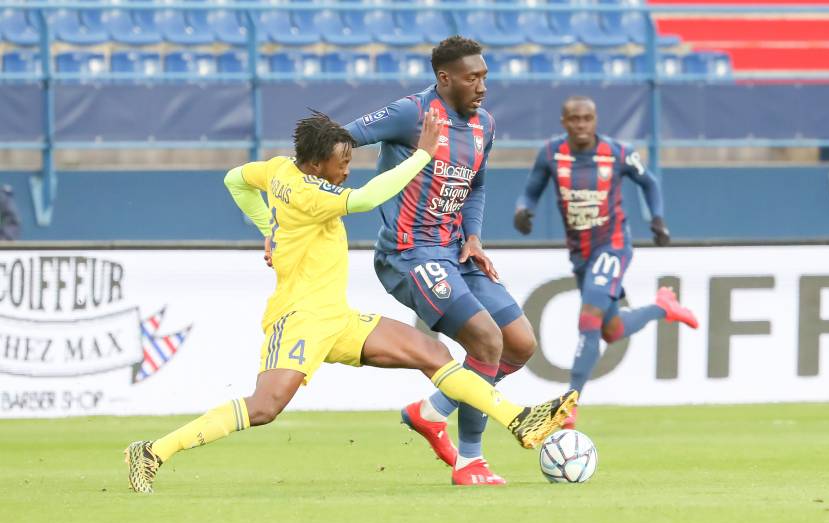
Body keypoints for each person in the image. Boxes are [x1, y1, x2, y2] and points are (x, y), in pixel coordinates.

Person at [124, 110, 577, 493]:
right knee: (264, 408)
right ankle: (152, 451)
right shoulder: (310, 192)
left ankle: (519, 418)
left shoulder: (280, 169)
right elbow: (365, 199)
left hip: (335, 317)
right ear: (317, 165)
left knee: (432, 353)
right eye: (342, 162)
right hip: (299, 318)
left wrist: (267, 228)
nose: (348, 168)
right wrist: (423, 153)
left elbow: (234, 179)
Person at [344, 36, 538, 485]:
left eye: (485, 76)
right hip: (408, 254)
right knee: (486, 340)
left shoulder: (484, 125)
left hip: (456, 250)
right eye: (473, 78)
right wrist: (298, 206)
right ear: (445, 78)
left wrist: (474, 236)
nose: (482, 86)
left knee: (520, 343)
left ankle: (432, 411)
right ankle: (471, 460)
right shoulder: (411, 113)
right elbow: (341, 138)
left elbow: (477, 185)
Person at [514, 96, 698, 429]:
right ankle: (663, 307)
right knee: (611, 331)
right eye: (574, 119)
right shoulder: (551, 154)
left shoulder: (619, 153)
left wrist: (656, 219)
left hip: (612, 246)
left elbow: (649, 182)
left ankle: (569, 403)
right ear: (563, 122)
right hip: (581, 255)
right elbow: (531, 190)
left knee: (589, 318)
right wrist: (523, 210)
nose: (581, 124)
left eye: (587, 118)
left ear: (596, 120)